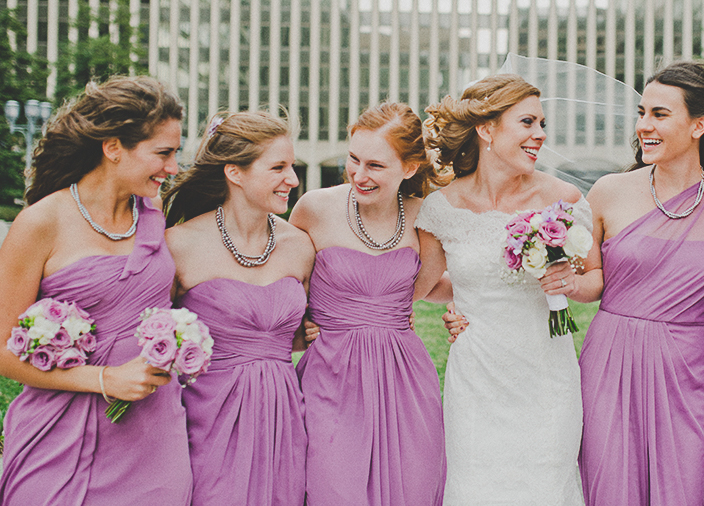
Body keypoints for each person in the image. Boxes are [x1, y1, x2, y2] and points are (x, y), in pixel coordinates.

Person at [0, 76, 192, 504]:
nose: (174, 167)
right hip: (58, 432)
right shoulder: (40, 224)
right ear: (113, 148)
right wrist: (106, 379)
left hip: (153, 437)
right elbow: (3, 353)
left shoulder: (154, 214)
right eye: (163, 153)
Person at [564, 61, 704, 506]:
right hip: (609, 360)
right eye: (642, 113)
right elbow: (588, 283)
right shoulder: (607, 190)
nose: (643, 126)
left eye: (659, 115)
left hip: (686, 368)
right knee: (608, 486)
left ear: (700, 125)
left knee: (683, 489)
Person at [415, 74, 592, 504]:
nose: (541, 135)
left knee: (545, 488)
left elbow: (594, 281)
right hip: (477, 378)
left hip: (547, 376)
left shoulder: (562, 199)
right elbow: (424, 286)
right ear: (487, 129)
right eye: (528, 122)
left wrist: (569, 280)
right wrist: (457, 303)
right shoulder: (441, 208)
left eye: (542, 123)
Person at [288, 102, 448, 505]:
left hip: (404, 377)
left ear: (410, 168)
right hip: (330, 374)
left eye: (375, 165)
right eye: (354, 159)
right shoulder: (313, 208)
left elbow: (429, 287)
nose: (359, 175)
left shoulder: (427, 218)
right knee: (333, 487)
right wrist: (299, 325)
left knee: (412, 487)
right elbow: (284, 283)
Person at [162, 111, 314, 505]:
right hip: (206, 419)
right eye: (278, 167)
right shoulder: (179, 244)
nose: (293, 179)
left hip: (284, 418)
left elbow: (310, 331)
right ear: (235, 173)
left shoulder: (300, 246)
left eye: (292, 166)